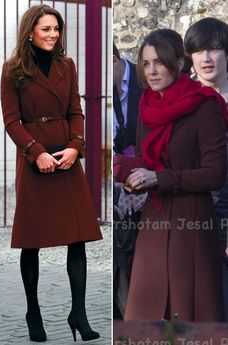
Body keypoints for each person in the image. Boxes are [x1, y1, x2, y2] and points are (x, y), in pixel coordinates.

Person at [0, 5, 102, 342]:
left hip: (67, 161)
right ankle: (33, 312)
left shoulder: (66, 65)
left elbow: (76, 109)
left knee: (78, 238)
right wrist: (36, 153)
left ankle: (80, 313)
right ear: (30, 32)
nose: (53, 35)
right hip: (36, 162)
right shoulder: (12, 69)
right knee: (32, 241)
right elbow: (11, 120)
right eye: (46, 29)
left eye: (56, 29)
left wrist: (76, 146)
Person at [124, 28, 228, 322]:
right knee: (145, 320)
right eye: (145, 63)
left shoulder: (205, 104)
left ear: (179, 63)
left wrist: (160, 178)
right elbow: (145, 161)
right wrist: (130, 180)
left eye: (159, 61)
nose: (152, 70)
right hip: (153, 225)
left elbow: (214, 174)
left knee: (191, 320)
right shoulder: (146, 106)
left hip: (192, 225)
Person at [184, 17, 228, 321]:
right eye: (199, 51)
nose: (207, 58)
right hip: (196, 212)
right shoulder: (180, 99)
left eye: (214, 49)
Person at [113, 42, 145, 319]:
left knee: (139, 252)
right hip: (111, 183)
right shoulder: (99, 90)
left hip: (145, 181)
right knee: (120, 254)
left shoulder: (142, 79)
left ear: (114, 61)